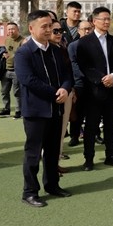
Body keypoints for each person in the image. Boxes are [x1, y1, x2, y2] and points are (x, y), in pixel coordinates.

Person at [15, 10, 73, 207]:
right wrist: (55, 93)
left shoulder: (56, 50)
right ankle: (29, 192)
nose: (49, 30)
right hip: (36, 111)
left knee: (52, 151)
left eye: (51, 26)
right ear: (31, 28)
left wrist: (65, 88)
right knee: (33, 153)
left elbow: (68, 75)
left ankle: (52, 185)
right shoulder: (24, 52)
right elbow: (28, 80)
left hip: (56, 109)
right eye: (44, 26)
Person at [75, 7, 113, 170]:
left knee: (110, 125)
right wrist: (101, 79)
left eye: (108, 18)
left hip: (112, 90)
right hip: (93, 91)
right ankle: (88, 158)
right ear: (94, 21)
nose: (107, 22)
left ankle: (110, 155)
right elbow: (84, 66)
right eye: (103, 19)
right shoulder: (84, 42)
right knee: (91, 126)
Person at [48, 20, 73, 171]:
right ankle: (50, 165)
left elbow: (68, 72)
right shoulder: (41, 50)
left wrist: (69, 89)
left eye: (60, 31)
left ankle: (55, 161)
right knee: (49, 133)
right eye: (55, 31)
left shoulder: (62, 48)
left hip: (66, 93)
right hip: (49, 96)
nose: (59, 34)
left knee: (62, 129)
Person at [67, 20, 94, 147]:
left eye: (89, 28)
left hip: (95, 83)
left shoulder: (97, 44)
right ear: (78, 31)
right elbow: (73, 65)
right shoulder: (73, 46)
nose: (87, 31)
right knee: (77, 111)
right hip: (79, 83)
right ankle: (74, 136)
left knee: (94, 112)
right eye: (84, 29)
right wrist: (88, 75)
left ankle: (95, 134)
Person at [0, 22, 24, 119]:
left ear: (17, 30)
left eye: (13, 29)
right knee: (4, 91)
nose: (10, 31)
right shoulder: (7, 40)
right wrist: (3, 54)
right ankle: (6, 109)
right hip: (6, 70)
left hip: (16, 70)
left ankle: (19, 111)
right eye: (9, 29)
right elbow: (6, 50)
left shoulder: (23, 41)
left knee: (17, 92)